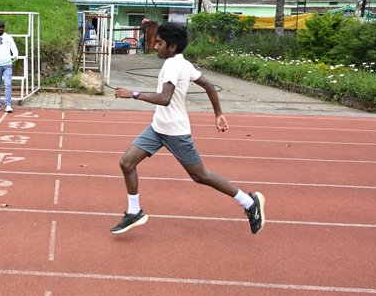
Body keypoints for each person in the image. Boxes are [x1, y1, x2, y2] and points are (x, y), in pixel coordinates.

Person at [112, 22, 265, 235]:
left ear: (172, 47)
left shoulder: (173, 65)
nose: (155, 46)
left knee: (200, 175)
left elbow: (165, 99)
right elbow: (210, 86)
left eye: (160, 43)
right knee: (127, 163)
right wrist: (218, 113)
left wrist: (134, 93)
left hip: (175, 131)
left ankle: (249, 202)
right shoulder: (183, 63)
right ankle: (134, 212)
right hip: (158, 128)